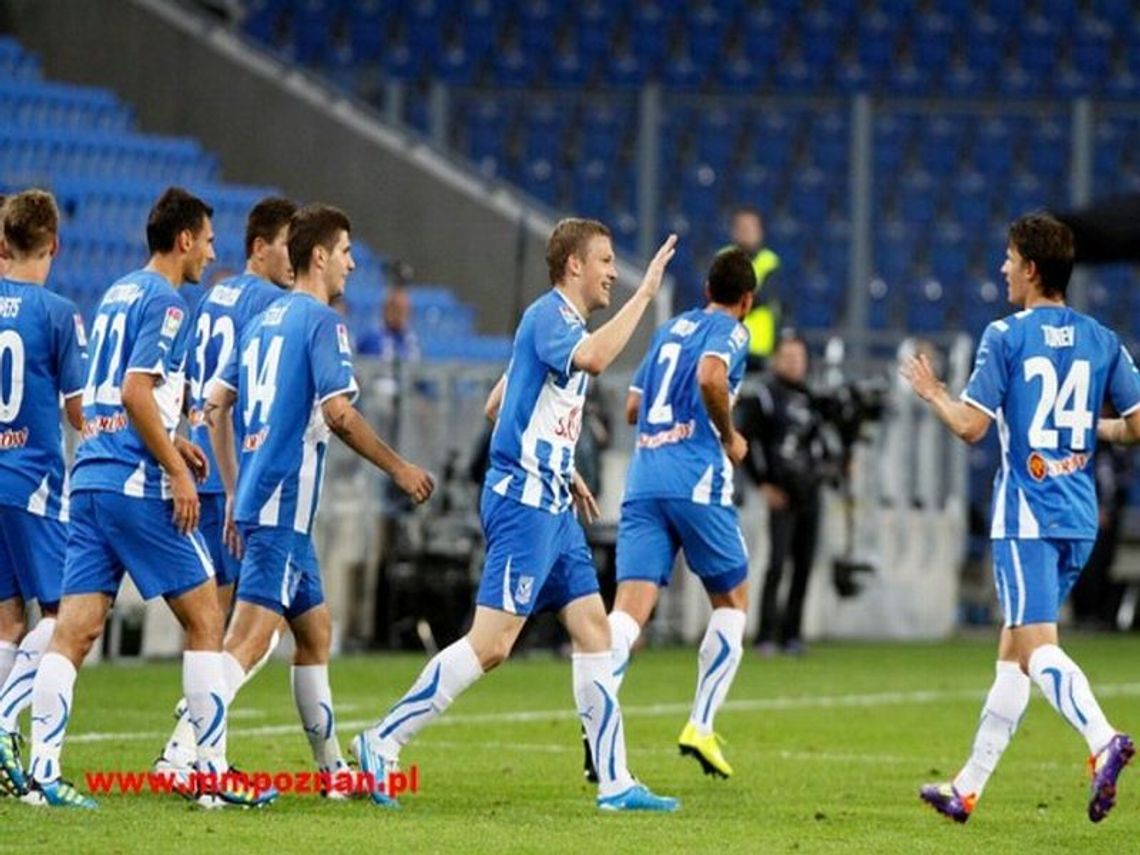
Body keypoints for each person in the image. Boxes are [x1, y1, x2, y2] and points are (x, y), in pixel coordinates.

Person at [351, 219, 680, 812]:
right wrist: (646, 293)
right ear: (573, 266)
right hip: (523, 503)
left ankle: (615, 783)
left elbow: (496, 403)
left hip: (552, 501)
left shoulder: (559, 325)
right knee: (493, 644)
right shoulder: (552, 317)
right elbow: (599, 361)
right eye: (605, 260)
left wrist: (563, 465)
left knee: (594, 634)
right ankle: (381, 741)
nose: (612, 271)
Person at [11, 188, 272, 809]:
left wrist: (178, 441)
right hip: (135, 483)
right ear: (184, 239)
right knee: (208, 619)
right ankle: (207, 775)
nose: (211, 252)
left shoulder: (117, 293)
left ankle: (42, 775)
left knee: (72, 630)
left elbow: (124, 395)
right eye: (207, 240)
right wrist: (176, 472)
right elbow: (134, 391)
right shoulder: (168, 302)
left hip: (91, 477)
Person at [902, 213, 1140, 824]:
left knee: (1035, 650)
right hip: (1078, 516)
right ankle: (967, 786)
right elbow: (1137, 425)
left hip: (1025, 516)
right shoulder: (1102, 339)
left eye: (1010, 259)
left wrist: (932, 394)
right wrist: (1096, 427)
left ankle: (1102, 739)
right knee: (1013, 651)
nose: (1003, 269)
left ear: (1032, 269)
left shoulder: (1005, 336)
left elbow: (971, 427)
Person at [203, 203, 434, 796]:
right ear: (321, 255)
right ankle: (190, 756)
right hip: (283, 502)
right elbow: (338, 413)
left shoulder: (264, 318)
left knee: (315, 633)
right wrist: (399, 467)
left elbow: (214, 405)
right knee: (251, 641)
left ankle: (333, 774)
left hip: (271, 503)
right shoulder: (321, 322)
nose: (354, 265)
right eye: (348, 252)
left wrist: (236, 487)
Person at [153, 196, 297, 778]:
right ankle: (191, 747)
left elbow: (192, 388)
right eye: (289, 244)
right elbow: (228, 401)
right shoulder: (270, 304)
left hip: (199, 467)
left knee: (224, 622)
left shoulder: (211, 294)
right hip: (228, 478)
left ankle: (191, 740)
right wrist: (238, 488)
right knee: (242, 626)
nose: (297, 257)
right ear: (260, 248)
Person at [606, 247, 755, 780]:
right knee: (733, 601)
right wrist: (730, 435)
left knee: (627, 613)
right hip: (696, 479)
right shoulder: (735, 331)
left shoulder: (670, 329)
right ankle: (701, 723)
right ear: (746, 300)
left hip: (643, 480)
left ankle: (597, 723)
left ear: (705, 290)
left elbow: (630, 407)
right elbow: (712, 379)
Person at [0, 191, 86, 796]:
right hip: (34, 481)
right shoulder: (57, 312)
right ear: (53, 244)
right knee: (63, 617)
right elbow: (80, 412)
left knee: (6, 620)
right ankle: (6, 728)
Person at [741, 334, 827, 657]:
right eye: (788, 357)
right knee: (776, 563)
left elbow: (820, 442)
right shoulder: (764, 396)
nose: (794, 363)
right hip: (781, 492)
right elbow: (747, 443)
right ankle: (765, 634)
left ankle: (793, 634)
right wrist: (762, 483)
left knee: (804, 564)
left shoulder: (811, 397)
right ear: (776, 359)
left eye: (799, 358)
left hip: (810, 491)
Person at [724, 206, 781, 368]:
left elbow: (764, 297)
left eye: (750, 227)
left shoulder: (770, 261)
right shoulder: (723, 257)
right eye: (742, 228)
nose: (746, 232)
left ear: (760, 231)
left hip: (760, 346)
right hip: (728, 344)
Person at [355, 277, 421, 363]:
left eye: (405, 310)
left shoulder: (411, 341)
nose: (400, 315)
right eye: (396, 309)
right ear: (385, 310)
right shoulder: (371, 339)